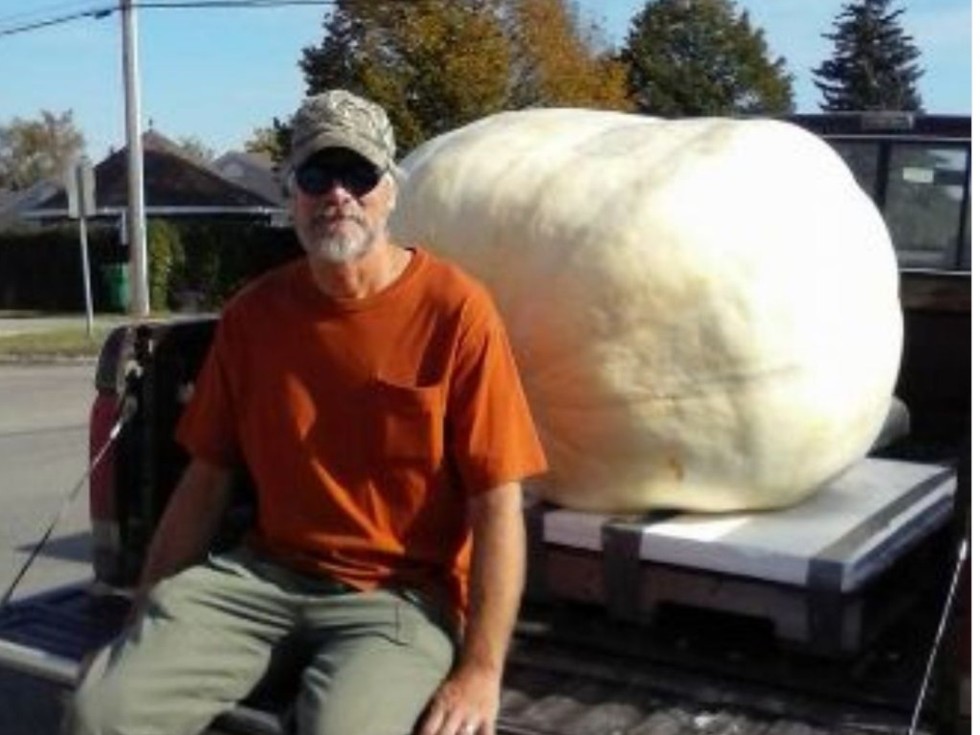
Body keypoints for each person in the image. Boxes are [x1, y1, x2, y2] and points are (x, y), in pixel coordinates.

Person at [68, 89, 547, 735]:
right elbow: (204, 482)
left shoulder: (456, 312)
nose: (338, 194)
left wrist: (481, 670)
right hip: (259, 580)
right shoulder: (253, 316)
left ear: (391, 190)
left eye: (359, 174)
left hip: (397, 600)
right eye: (317, 175)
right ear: (292, 192)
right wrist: (141, 624)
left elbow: (496, 503)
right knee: (102, 712)